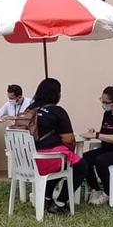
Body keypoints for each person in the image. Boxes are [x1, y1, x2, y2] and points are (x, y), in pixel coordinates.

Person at [30, 77, 85, 212]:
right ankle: (60, 202)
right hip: (46, 161)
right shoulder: (57, 111)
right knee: (80, 166)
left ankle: (47, 197)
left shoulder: (29, 110)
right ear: (56, 94)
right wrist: (70, 151)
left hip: (28, 161)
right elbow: (69, 139)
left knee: (61, 164)